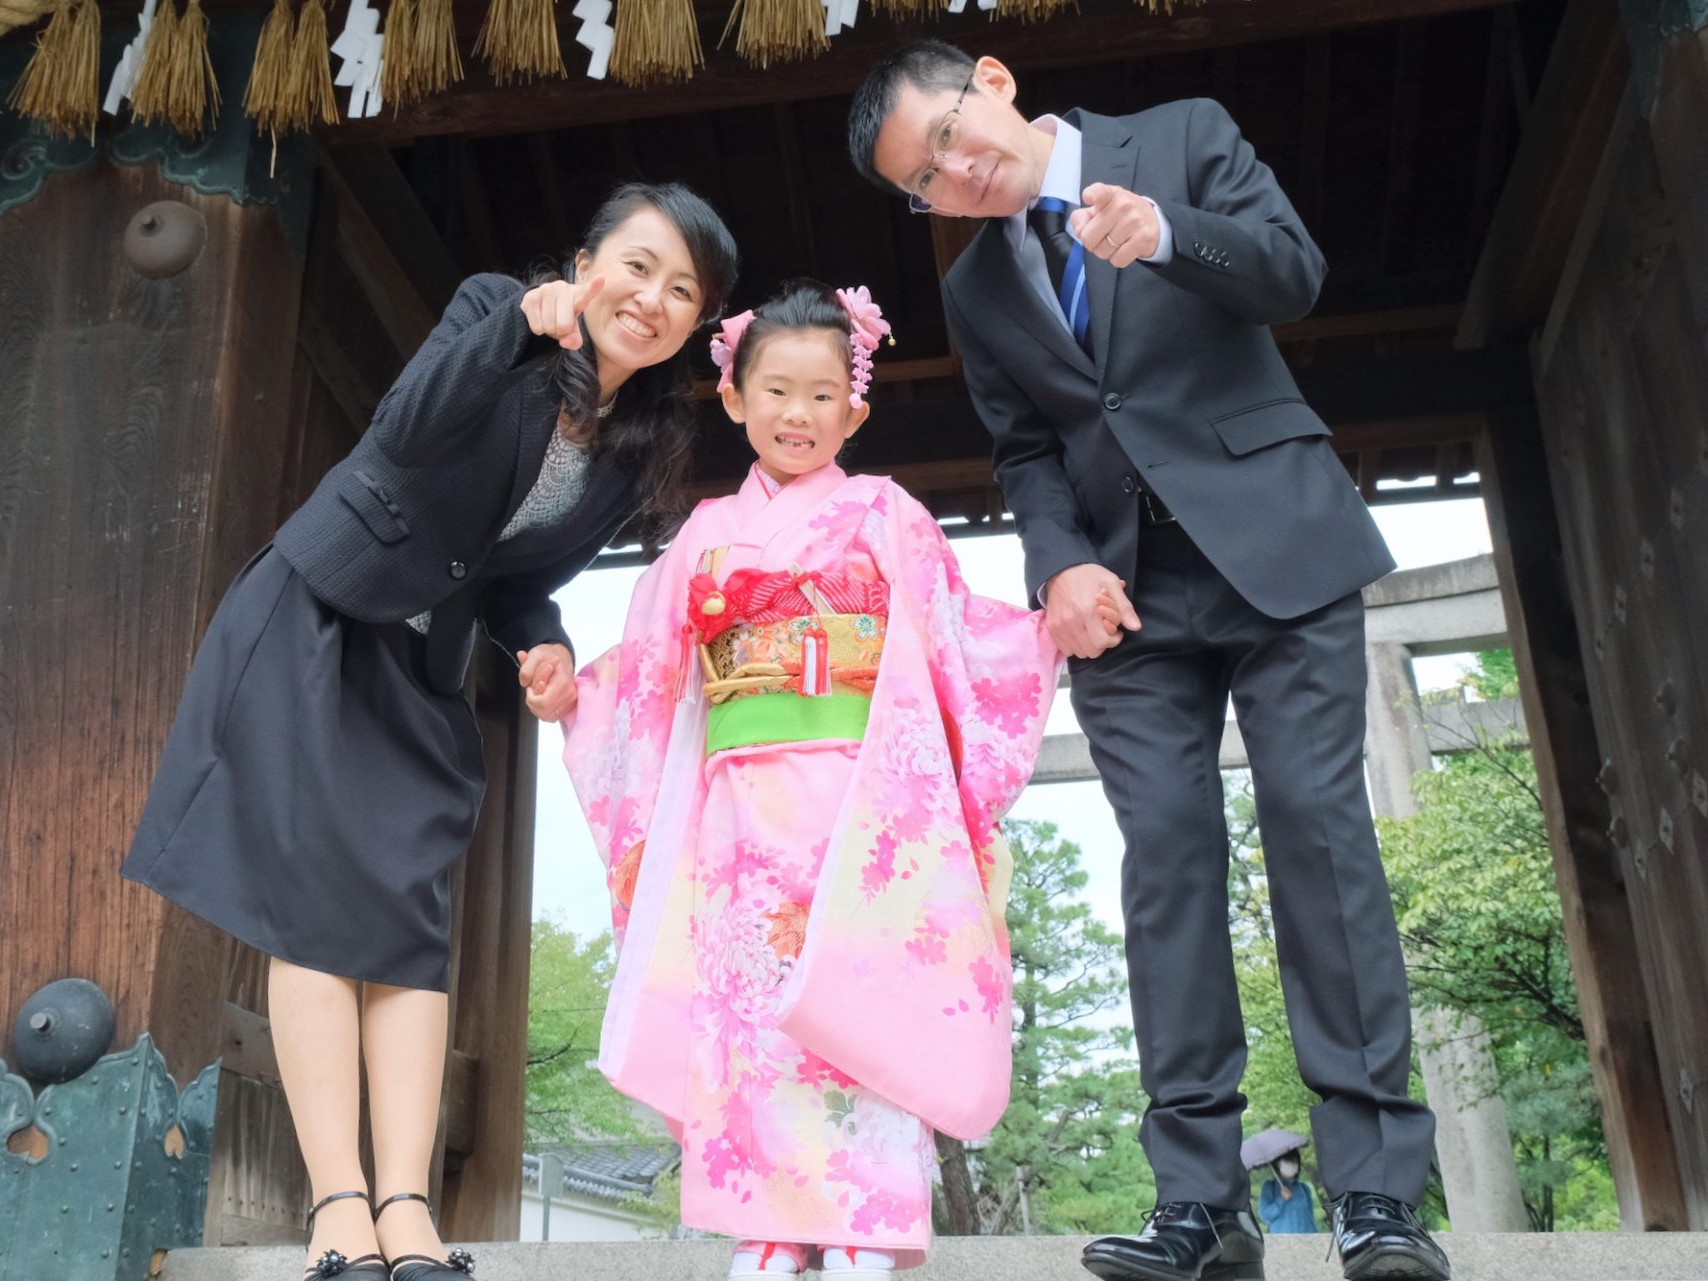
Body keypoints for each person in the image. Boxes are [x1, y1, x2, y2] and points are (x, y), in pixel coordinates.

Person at [847, 41, 1450, 1281]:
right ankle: (1200, 1206)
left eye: (954, 138)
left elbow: (1293, 275)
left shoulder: (1179, 137)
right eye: (930, 185)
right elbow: (1023, 453)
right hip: (1123, 602)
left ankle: (1378, 1197)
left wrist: (1172, 235)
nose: (961, 177)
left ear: (997, 83)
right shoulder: (975, 294)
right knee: (1166, 868)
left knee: (1315, 831)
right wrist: (1058, 563)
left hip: (1275, 549)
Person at [121, 183, 738, 1281]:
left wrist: (541, 640)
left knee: (409, 932)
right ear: (587, 261)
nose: (650, 298)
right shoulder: (493, 310)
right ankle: (337, 1215)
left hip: (421, 670)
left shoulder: (633, 443)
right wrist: (516, 324)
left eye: (681, 292)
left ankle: (408, 1217)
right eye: (637, 266)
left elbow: (516, 579)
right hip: (321, 617)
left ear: (693, 327)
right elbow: (404, 430)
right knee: (310, 917)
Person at [545, 281, 1060, 1280]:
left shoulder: (886, 513)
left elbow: (957, 640)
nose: (798, 415)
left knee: (860, 1001)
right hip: (738, 817)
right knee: (749, 1013)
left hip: (863, 812)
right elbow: (648, 671)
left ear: (854, 411)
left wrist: (1044, 635)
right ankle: (770, 1222)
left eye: (823, 396)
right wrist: (572, 696)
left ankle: (869, 1221)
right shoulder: (705, 534)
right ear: (733, 398)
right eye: (776, 391)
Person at [1259, 1150, 1319, 1235]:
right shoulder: (1270, 1187)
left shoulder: (1304, 1189)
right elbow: (1265, 1216)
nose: (1291, 1164)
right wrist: (1281, 1199)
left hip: (1306, 1241)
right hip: (1281, 1242)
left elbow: (1310, 1219)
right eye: (1287, 1161)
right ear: (1278, 1164)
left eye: (1294, 1161)